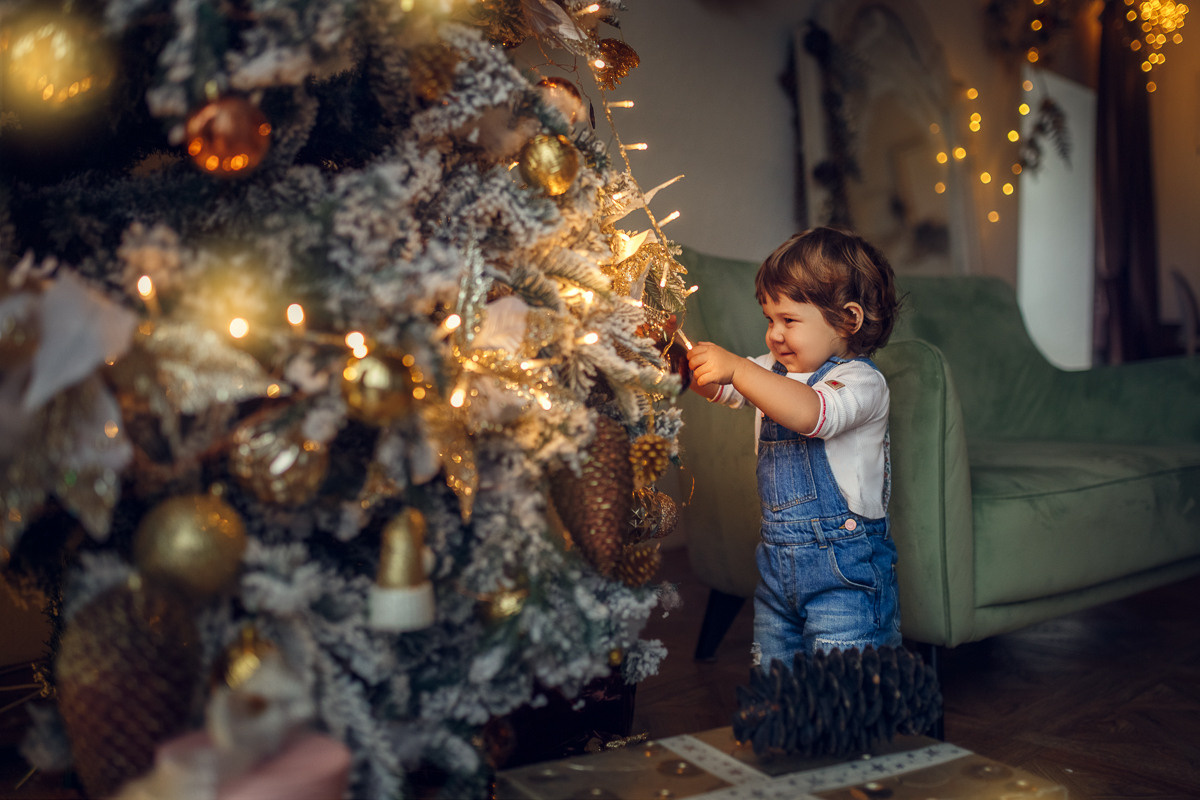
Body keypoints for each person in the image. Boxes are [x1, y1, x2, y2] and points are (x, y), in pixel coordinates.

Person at [686, 226, 902, 667]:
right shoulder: (772, 369)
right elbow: (719, 388)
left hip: (846, 569)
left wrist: (737, 369)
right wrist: (685, 360)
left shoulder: (861, 381)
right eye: (769, 319)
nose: (774, 335)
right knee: (775, 674)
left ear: (849, 320)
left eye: (789, 320)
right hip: (776, 564)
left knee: (843, 681)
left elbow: (810, 415)